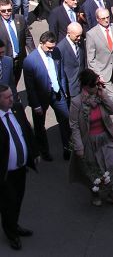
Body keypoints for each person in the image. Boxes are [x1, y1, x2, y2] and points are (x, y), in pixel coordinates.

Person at [69, 69, 113, 207]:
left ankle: (111, 193)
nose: (96, 87)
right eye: (94, 85)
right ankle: (95, 194)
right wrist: (79, 146)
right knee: (95, 169)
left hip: (105, 137)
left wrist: (104, 96)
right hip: (89, 141)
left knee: (112, 165)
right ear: (86, 86)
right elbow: (74, 125)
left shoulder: (100, 96)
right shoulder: (77, 102)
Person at [0, 84, 39, 251]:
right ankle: (11, 233)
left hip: (21, 169)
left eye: (11, 96)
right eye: (7, 97)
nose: (12, 99)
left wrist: (34, 153)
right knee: (8, 204)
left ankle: (14, 225)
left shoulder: (16, 108)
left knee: (18, 200)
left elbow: (27, 132)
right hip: (4, 174)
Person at [23, 31, 71, 161]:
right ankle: (44, 151)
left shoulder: (56, 52)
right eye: (49, 47)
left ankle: (68, 148)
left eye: (53, 47)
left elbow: (60, 72)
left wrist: (63, 90)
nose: (51, 50)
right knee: (39, 126)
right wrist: (36, 104)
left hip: (57, 94)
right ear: (41, 43)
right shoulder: (30, 61)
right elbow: (30, 87)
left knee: (65, 120)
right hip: (40, 97)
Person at [86, 8, 113, 135]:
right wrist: (98, 75)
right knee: (112, 97)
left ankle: (101, 114)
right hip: (103, 72)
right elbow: (90, 59)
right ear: (97, 19)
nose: (106, 20)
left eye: (108, 17)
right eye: (103, 18)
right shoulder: (92, 34)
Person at [0, 0, 32, 84]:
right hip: (4, 61)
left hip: (20, 59)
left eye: (9, 10)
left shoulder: (19, 19)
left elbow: (27, 37)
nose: (7, 13)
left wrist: (33, 53)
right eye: (3, 11)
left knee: (15, 82)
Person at [56, 22, 85, 103]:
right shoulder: (60, 48)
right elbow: (59, 71)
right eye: (77, 36)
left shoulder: (80, 41)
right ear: (69, 33)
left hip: (82, 85)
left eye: (80, 35)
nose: (79, 38)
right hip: (71, 88)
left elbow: (83, 61)